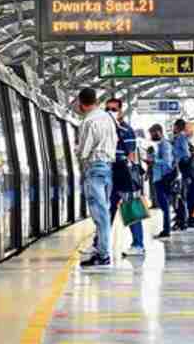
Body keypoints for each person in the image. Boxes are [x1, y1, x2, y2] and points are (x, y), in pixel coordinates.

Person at [75, 87, 117, 267]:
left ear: (81, 103)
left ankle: (104, 254)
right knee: (104, 211)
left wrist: (79, 156)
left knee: (100, 215)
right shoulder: (108, 118)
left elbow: (84, 150)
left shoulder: (88, 121)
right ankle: (101, 250)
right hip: (108, 167)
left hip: (94, 167)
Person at [105, 98, 145, 257]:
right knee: (107, 209)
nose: (110, 112)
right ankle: (99, 244)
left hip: (123, 170)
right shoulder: (105, 128)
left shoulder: (126, 130)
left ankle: (138, 244)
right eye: (107, 109)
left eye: (114, 109)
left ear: (121, 111)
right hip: (111, 170)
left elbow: (131, 153)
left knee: (131, 207)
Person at [145, 124, 174, 239]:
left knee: (164, 205)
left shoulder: (165, 144)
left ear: (158, 132)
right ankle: (166, 229)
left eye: (152, 133)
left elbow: (167, 162)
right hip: (159, 178)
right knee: (163, 205)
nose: (151, 136)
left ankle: (166, 230)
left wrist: (153, 160)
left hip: (163, 178)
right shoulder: (160, 145)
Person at [172, 119, 194, 230]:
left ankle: (183, 221)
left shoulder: (181, 137)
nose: (173, 128)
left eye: (174, 126)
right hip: (181, 169)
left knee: (181, 196)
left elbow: (185, 154)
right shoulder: (180, 137)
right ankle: (181, 220)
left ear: (177, 127)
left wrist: (180, 166)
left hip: (182, 170)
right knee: (180, 195)